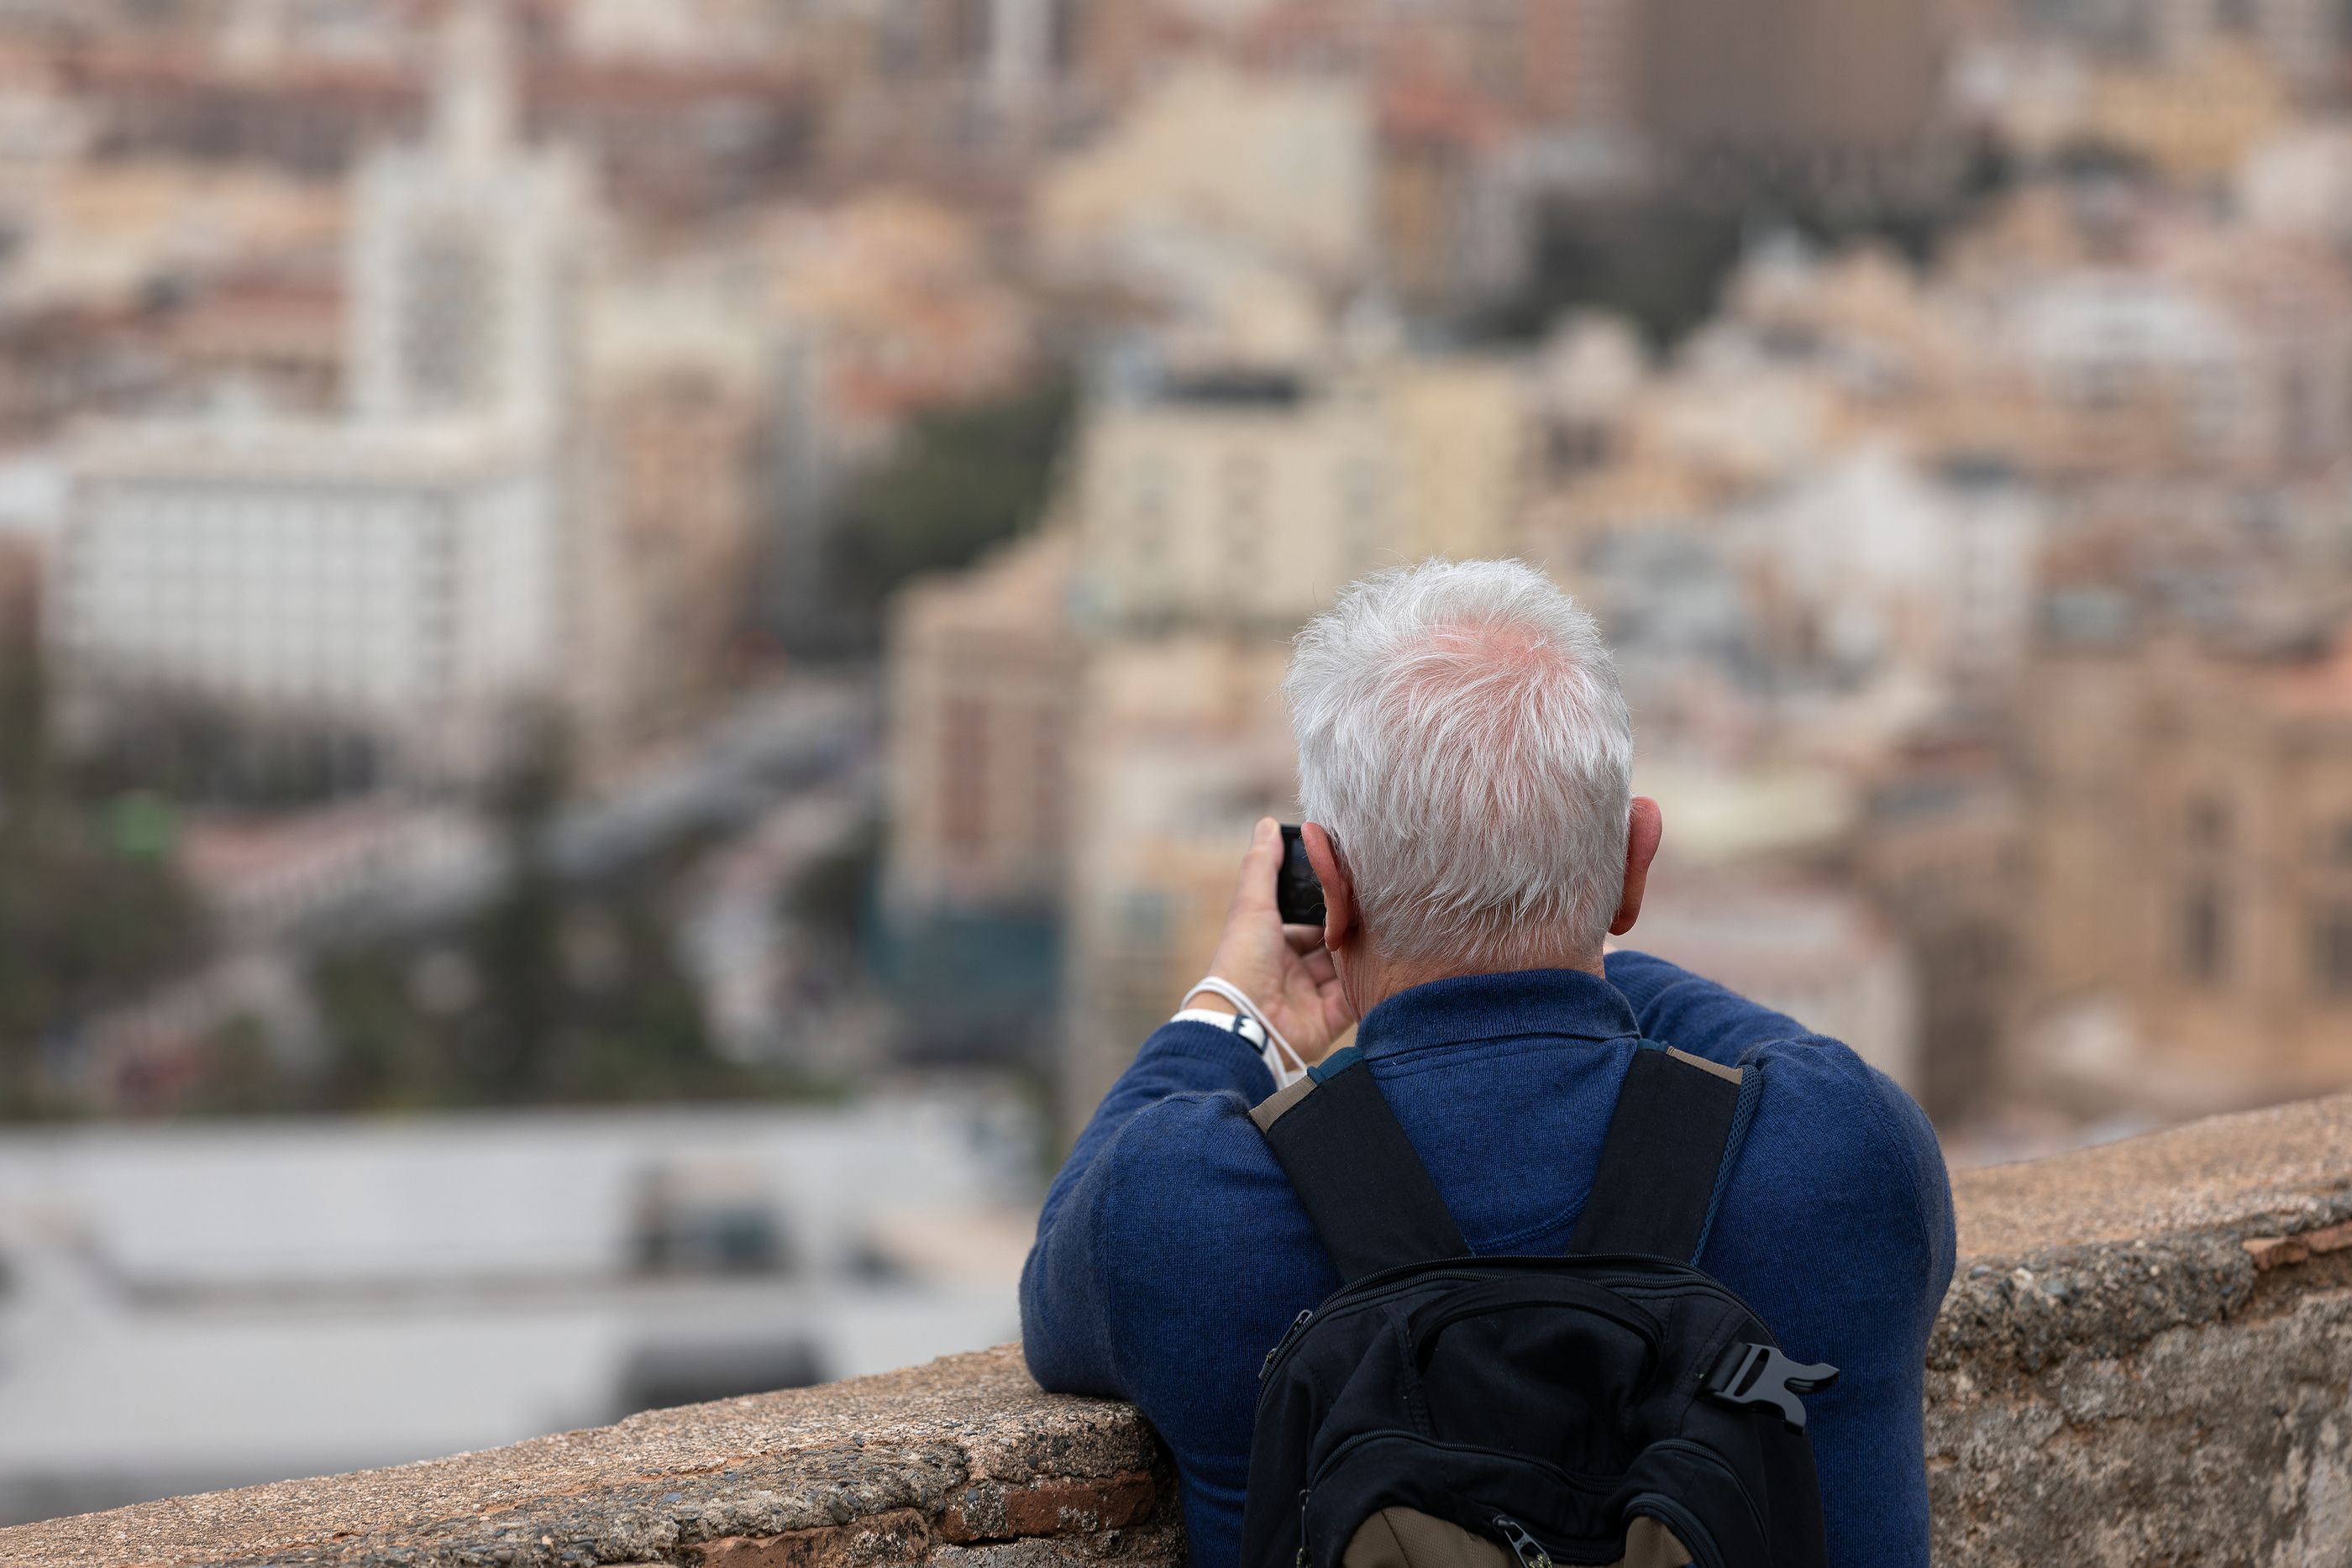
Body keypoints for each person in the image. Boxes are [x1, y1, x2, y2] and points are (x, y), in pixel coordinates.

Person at [1020, 559, 1954, 1568]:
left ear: (1325, 886)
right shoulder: (1847, 1163)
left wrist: (1238, 1010)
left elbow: (1057, 1277)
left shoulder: (1192, 1217)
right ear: (1634, 862)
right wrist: (1578, 917)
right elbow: (1781, 1053)